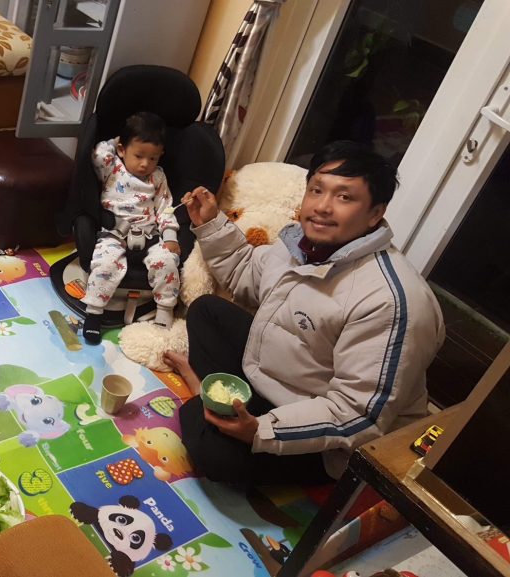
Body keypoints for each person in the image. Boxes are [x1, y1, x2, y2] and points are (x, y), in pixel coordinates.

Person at [164, 141, 444, 486]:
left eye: (344, 197)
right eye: (317, 190)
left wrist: (262, 430)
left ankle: (207, 402)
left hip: (329, 439)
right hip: (275, 375)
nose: (322, 207)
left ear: (375, 213)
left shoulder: (392, 301)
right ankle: (221, 407)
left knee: (214, 453)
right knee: (206, 311)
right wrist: (211, 226)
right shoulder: (300, 244)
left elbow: (357, 415)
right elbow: (248, 274)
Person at [81, 112, 182, 344]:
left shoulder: (157, 178)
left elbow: (167, 208)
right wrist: (116, 142)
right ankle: (94, 313)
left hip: (150, 235)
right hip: (115, 233)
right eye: (138, 156)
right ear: (122, 149)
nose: (145, 164)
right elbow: (97, 153)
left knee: (167, 262)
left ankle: (165, 310)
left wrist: (170, 236)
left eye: (153, 158)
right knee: (105, 263)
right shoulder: (112, 168)